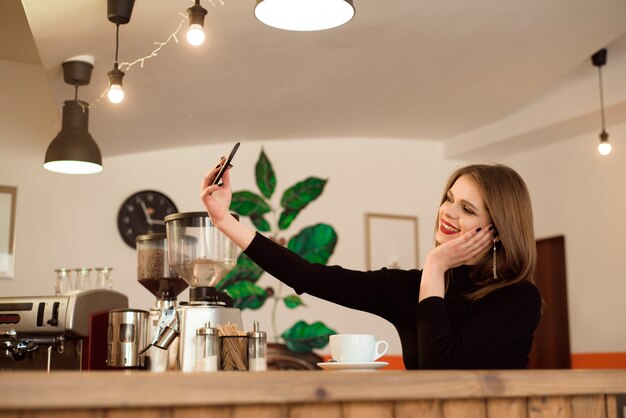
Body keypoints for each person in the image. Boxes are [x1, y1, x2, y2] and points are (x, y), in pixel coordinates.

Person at [201, 160, 542, 370]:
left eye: (467, 209)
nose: (448, 212)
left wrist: (436, 267)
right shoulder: (413, 287)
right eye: (450, 199)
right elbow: (308, 275)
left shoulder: (518, 298)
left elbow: (442, 364)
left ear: (497, 230)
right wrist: (224, 221)